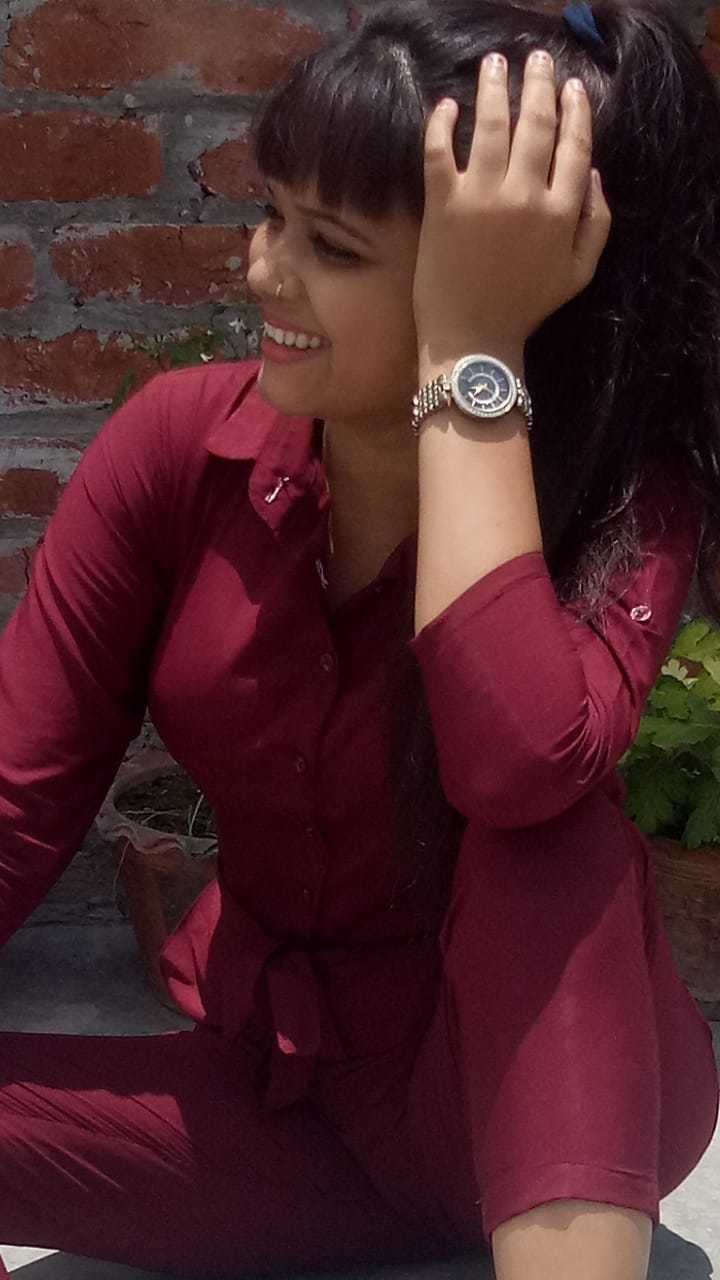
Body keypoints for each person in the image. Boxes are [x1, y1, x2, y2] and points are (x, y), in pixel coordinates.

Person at [0, 0, 718, 1276]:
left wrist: (473, 355)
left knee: (547, 840)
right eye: (272, 214)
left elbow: (517, 759)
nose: (263, 271)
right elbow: (13, 804)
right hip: (288, 1107)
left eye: (329, 244)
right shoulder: (179, 453)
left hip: (532, 1119)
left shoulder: (621, 500)